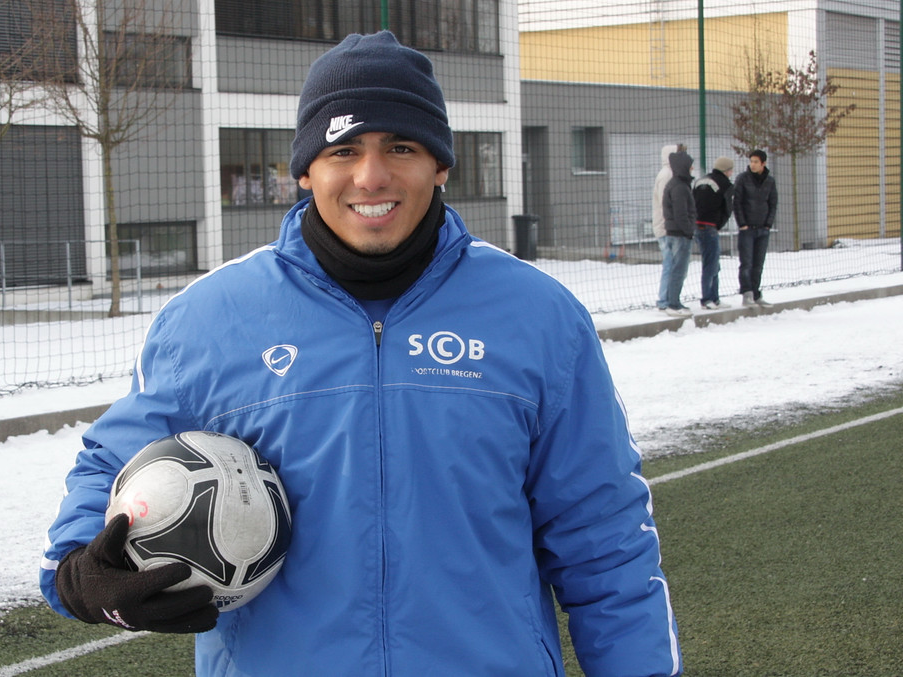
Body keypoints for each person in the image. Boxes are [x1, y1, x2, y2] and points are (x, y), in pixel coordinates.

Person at [39, 31, 682, 677]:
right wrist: (81, 570)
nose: (371, 176)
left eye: (400, 147)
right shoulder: (208, 319)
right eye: (342, 149)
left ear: (440, 164)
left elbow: (605, 537)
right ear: (305, 170)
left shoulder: (539, 315)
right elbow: (114, 466)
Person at [733, 149, 778, 307]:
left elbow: (773, 203)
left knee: (758, 264)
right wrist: (742, 224)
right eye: (751, 161)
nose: (752, 164)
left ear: (763, 164)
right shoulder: (743, 179)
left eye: (756, 162)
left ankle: (756, 293)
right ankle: (747, 294)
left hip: (763, 229)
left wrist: (768, 224)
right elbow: (737, 203)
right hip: (747, 229)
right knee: (746, 263)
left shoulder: (770, 181)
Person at [692, 156, 735, 310]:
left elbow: (692, 201)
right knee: (711, 264)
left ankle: (714, 298)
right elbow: (728, 209)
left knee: (711, 262)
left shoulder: (699, 181)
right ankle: (708, 299)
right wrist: (718, 225)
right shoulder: (726, 185)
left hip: (697, 225)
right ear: (727, 170)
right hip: (710, 227)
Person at [661, 149, 696, 317]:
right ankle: (673, 303)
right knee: (678, 270)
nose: (692, 169)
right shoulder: (679, 187)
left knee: (676, 268)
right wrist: (689, 230)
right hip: (679, 234)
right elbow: (681, 213)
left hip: (676, 232)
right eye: (690, 166)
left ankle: (673, 300)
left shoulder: (677, 184)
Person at [653, 143, 686, 310]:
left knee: (672, 264)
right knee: (670, 264)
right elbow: (665, 203)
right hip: (666, 227)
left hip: (667, 226)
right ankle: (664, 298)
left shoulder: (670, 173)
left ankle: (667, 297)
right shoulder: (667, 175)